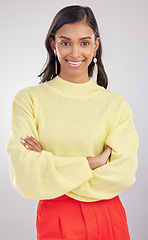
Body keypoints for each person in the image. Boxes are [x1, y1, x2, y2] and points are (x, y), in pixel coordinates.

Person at [6, 5, 139, 240]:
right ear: (53, 44)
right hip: (56, 220)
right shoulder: (29, 100)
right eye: (66, 42)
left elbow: (123, 174)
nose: (75, 53)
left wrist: (50, 168)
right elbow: (26, 175)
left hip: (109, 218)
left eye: (84, 43)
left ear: (96, 45)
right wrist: (92, 162)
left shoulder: (116, 105)